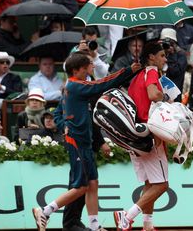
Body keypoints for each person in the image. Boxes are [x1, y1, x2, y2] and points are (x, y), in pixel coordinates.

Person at [32, 51, 141, 231]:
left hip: (85, 142)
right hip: (77, 142)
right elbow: (102, 84)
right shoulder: (76, 85)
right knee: (81, 187)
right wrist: (129, 70)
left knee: (92, 184)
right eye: (87, 66)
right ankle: (44, 211)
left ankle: (94, 225)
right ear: (77, 70)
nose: (91, 67)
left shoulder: (74, 85)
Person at [114, 41, 168, 231]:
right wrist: (165, 96)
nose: (165, 59)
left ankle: (148, 225)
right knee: (162, 185)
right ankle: (127, 217)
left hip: (135, 135)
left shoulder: (136, 76)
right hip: (151, 135)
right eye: (162, 55)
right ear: (151, 57)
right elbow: (153, 95)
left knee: (150, 183)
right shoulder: (151, 71)